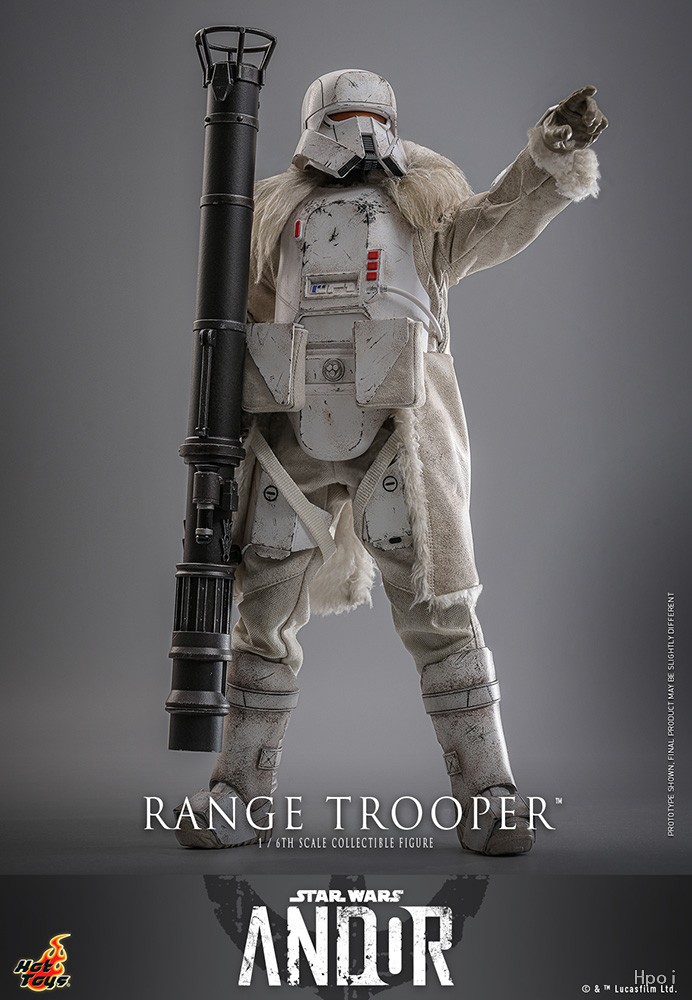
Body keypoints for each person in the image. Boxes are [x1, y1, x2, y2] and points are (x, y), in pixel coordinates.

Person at [175, 70, 606, 854]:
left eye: (371, 117)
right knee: (263, 615)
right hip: (293, 432)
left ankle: (490, 792)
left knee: (440, 610)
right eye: (345, 117)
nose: (360, 133)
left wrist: (547, 157)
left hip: (398, 432)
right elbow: (240, 316)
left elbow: (498, 218)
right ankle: (238, 791)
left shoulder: (424, 209)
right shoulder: (272, 213)